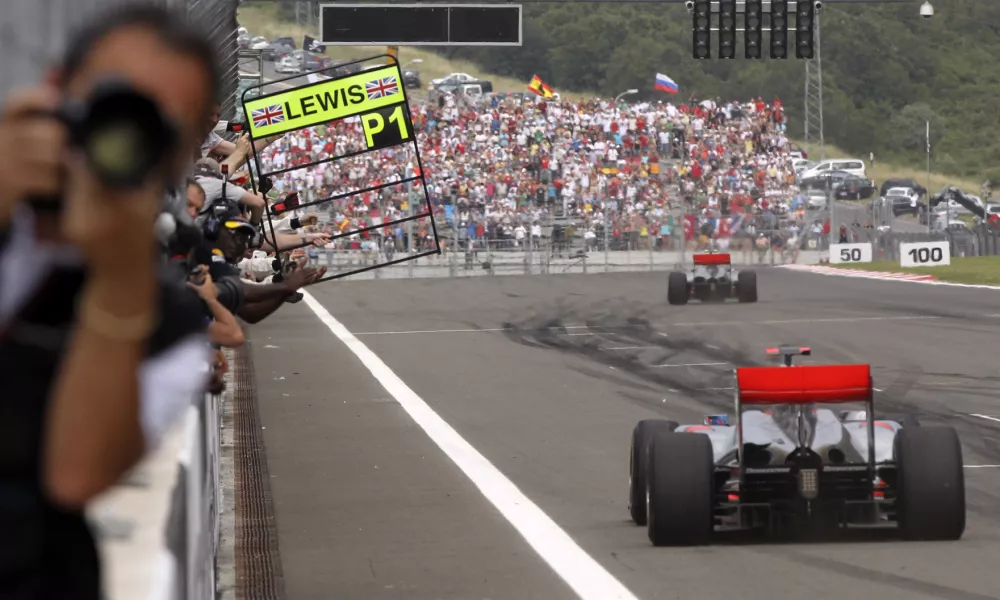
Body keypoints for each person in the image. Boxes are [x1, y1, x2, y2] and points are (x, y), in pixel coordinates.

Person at [0, 6, 220, 598]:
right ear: (53, 94)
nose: (122, 130)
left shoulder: (170, 324)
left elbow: (77, 476)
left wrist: (121, 274)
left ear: (181, 155)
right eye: (111, 101)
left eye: (157, 124)